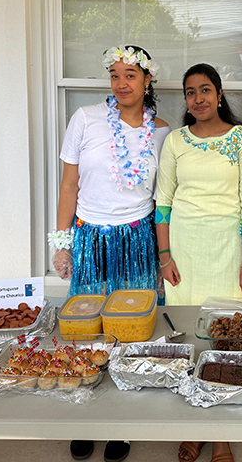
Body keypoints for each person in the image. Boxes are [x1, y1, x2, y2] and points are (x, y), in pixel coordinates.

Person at [48, 45, 170, 462]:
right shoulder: (85, 119)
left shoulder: (162, 132)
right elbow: (68, 186)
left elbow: (165, 199)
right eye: (115, 75)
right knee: (86, 326)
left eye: (131, 75)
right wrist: (61, 245)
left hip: (137, 239)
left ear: (147, 80)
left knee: (131, 329)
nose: (121, 83)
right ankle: (85, 418)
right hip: (90, 237)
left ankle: (122, 423)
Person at [155, 63, 242, 462]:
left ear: (219, 94)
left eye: (204, 90)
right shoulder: (176, 142)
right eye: (189, 92)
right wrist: (164, 256)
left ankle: (221, 436)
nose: (197, 99)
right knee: (190, 339)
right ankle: (194, 426)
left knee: (225, 340)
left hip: (227, 250)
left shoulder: (240, 140)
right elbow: (162, 203)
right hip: (184, 251)